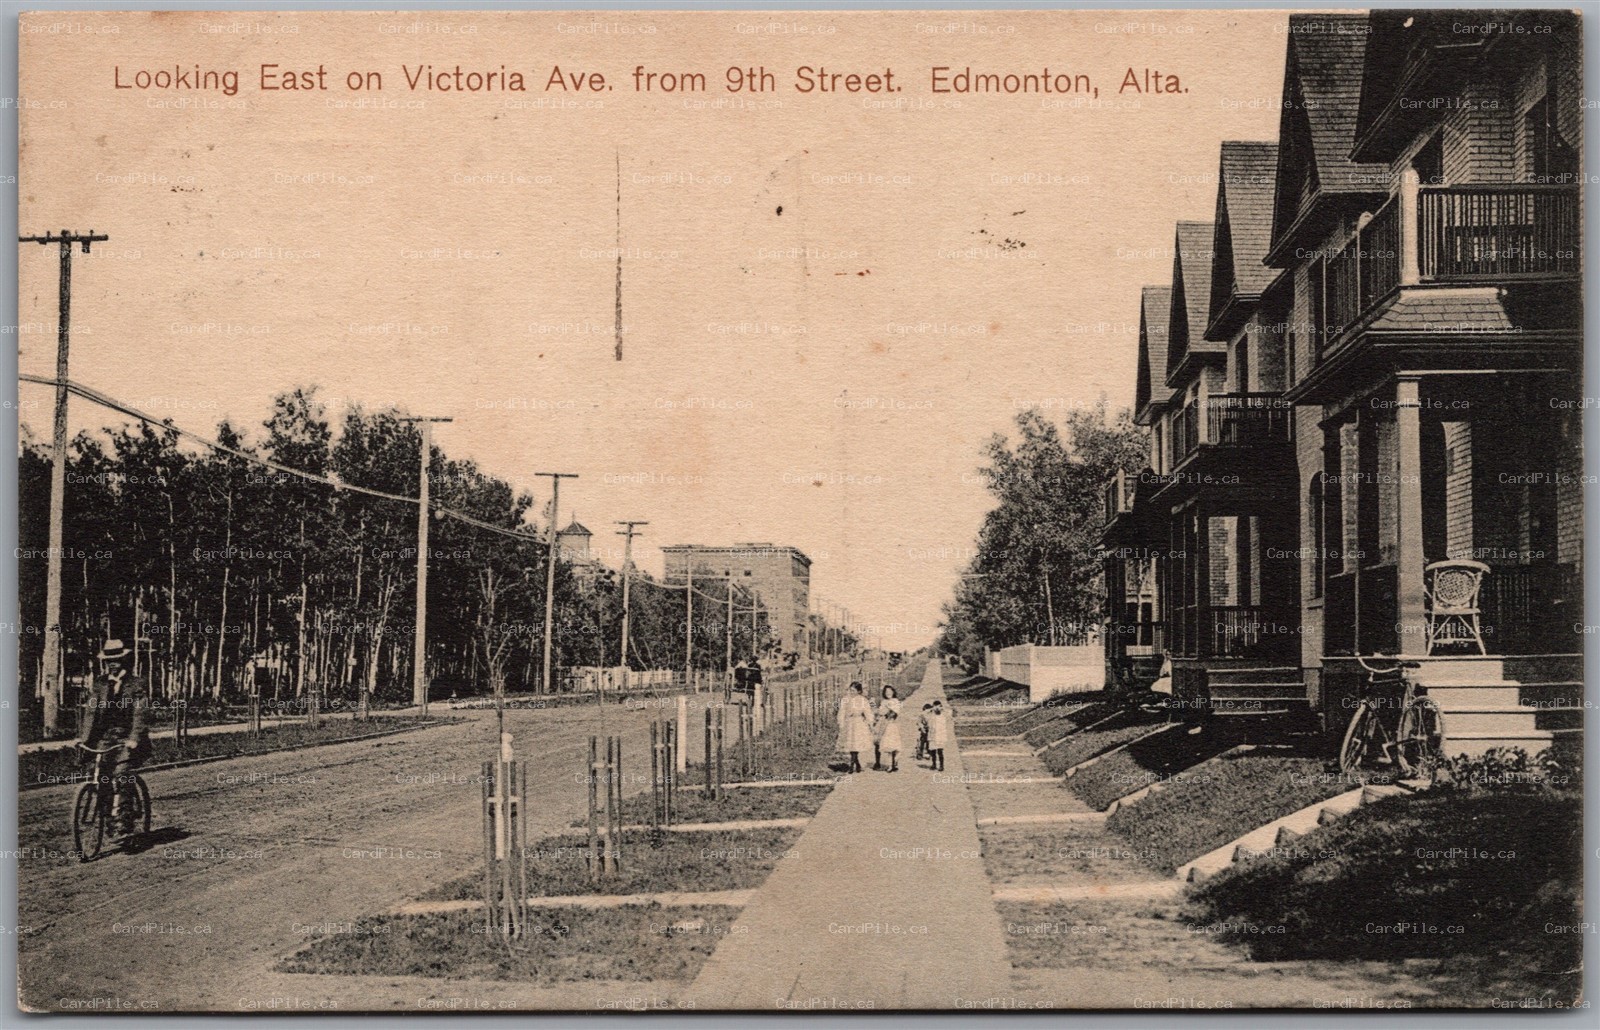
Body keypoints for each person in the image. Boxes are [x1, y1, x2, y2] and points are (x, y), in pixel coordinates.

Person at [78, 638, 151, 837]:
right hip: (106, 737)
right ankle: (108, 818)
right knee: (98, 773)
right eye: (109, 660)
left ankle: (126, 817)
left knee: (122, 773)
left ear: (124, 660)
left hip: (128, 738)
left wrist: (134, 738)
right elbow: (91, 713)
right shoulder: (100, 683)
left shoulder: (136, 684)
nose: (112, 664)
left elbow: (140, 713)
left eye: (116, 660)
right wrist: (84, 740)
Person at [836, 681, 873, 773]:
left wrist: (870, 722)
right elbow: (842, 712)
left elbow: (868, 712)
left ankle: (852, 765)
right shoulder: (845, 699)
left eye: (853, 691)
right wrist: (841, 722)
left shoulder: (863, 700)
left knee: (856, 745)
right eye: (850, 690)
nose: (851, 692)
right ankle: (857, 764)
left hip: (859, 723)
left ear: (859, 691)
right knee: (851, 745)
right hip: (849, 723)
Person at [876, 685, 903, 773]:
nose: (888, 693)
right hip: (884, 724)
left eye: (890, 691)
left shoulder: (895, 701)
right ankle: (890, 765)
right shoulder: (883, 702)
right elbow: (880, 712)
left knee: (895, 745)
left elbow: (894, 713)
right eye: (886, 692)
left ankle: (895, 762)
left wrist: (887, 711)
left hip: (892, 724)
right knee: (888, 746)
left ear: (893, 692)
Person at [927, 698, 950, 772]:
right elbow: (926, 715)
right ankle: (934, 764)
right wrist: (932, 709)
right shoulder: (931, 715)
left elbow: (950, 713)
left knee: (940, 751)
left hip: (940, 735)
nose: (937, 708)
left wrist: (942, 708)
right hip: (933, 735)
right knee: (933, 751)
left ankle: (941, 766)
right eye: (935, 706)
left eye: (938, 706)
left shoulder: (943, 715)